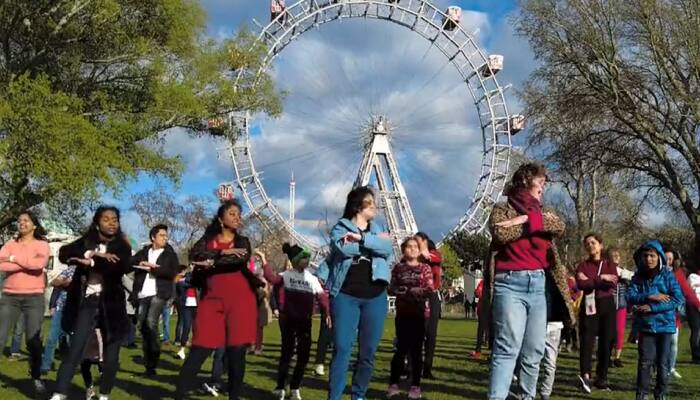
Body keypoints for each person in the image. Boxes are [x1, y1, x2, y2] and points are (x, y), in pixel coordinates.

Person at [485, 162, 566, 400]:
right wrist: (535, 222)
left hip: (538, 284)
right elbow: (501, 232)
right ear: (525, 180)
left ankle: (527, 397)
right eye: (540, 181)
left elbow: (559, 226)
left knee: (534, 351)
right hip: (509, 283)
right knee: (507, 347)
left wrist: (522, 221)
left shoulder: (543, 210)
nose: (543, 186)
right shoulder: (501, 208)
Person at [175, 199, 263, 400]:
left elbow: (237, 260)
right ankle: (179, 394)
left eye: (239, 214)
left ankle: (234, 396)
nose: (237, 217)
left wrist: (211, 261)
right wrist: (221, 252)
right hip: (211, 300)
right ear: (221, 219)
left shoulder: (243, 241)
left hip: (241, 300)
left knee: (236, 353)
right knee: (200, 348)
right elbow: (194, 256)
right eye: (232, 214)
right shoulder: (207, 239)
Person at [316, 186, 393, 400]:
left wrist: (360, 239)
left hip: (375, 296)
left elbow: (388, 250)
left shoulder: (378, 227)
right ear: (358, 206)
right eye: (371, 202)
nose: (375, 206)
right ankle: (335, 396)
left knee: (367, 353)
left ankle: (358, 394)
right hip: (346, 295)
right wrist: (375, 243)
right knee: (342, 348)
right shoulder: (340, 228)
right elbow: (344, 249)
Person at [49, 206, 133, 400]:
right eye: (106, 219)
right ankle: (59, 392)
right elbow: (65, 252)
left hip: (111, 305)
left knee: (111, 356)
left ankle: (104, 394)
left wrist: (93, 262)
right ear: (97, 223)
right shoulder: (86, 241)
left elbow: (119, 266)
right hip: (87, 301)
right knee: (75, 348)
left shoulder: (122, 245)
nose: (111, 223)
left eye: (115, 219)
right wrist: (91, 254)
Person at [260, 244, 330, 400]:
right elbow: (271, 278)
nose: (306, 260)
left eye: (307, 257)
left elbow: (322, 297)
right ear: (296, 260)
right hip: (289, 321)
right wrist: (264, 261)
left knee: (303, 357)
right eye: (303, 257)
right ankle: (280, 387)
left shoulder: (312, 279)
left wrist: (327, 313)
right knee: (287, 354)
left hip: (305, 322)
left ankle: (295, 387)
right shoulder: (286, 275)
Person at [0, 211, 50, 396]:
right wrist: (24, 263)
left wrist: (13, 259)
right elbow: (0, 264)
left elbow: (39, 265)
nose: (22, 223)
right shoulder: (10, 244)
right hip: (9, 297)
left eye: (26, 220)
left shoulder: (42, 244)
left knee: (33, 341)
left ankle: (36, 377)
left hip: (33, 298)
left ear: (34, 225)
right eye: (19, 220)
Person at [627, 240, 683, 400]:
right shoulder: (637, 277)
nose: (648, 259)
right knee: (644, 364)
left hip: (665, 327)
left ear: (659, 257)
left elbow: (678, 299)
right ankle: (641, 396)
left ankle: (660, 395)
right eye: (645, 256)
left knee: (663, 365)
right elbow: (629, 296)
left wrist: (652, 307)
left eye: (652, 255)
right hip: (646, 327)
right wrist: (648, 296)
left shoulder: (668, 276)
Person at [386, 237, 434, 399]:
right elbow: (391, 288)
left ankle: (415, 386)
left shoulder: (425, 268)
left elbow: (429, 289)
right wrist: (407, 291)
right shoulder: (398, 268)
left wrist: (409, 291)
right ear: (403, 250)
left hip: (419, 314)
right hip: (403, 314)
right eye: (409, 246)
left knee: (416, 351)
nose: (413, 249)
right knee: (400, 350)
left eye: (416, 246)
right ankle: (393, 384)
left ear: (420, 250)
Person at [131, 224, 180, 376]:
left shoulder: (170, 254)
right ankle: (149, 364)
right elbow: (130, 262)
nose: (165, 238)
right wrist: (141, 263)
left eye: (166, 236)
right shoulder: (144, 252)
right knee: (143, 326)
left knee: (151, 323)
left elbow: (172, 272)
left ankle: (154, 357)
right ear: (153, 237)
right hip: (142, 293)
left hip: (159, 293)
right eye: (162, 235)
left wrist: (153, 268)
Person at [576, 233, 619, 392]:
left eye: (593, 243)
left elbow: (612, 283)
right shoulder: (582, 265)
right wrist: (600, 278)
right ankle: (585, 376)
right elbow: (581, 284)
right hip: (589, 305)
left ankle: (601, 378)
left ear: (600, 245)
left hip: (607, 305)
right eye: (587, 244)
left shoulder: (610, 264)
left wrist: (591, 280)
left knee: (606, 342)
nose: (590, 246)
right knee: (587, 341)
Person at [663, 247, 700, 379]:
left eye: (671, 259)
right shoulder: (656, 273)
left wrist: (698, 305)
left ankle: (671, 368)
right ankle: (659, 367)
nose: (668, 261)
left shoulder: (677, 274)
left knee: (674, 342)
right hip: (658, 315)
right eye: (666, 258)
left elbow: (687, 292)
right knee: (661, 343)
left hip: (673, 315)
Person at [414, 232, 442, 379]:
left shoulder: (434, 254)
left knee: (431, 334)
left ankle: (427, 368)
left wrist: (425, 255)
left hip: (432, 296)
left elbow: (437, 258)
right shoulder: (413, 255)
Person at [41, 264, 77, 373]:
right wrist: (65, 283)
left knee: (74, 339)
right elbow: (54, 282)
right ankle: (46, 365)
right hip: (61, 307)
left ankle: (73, 365)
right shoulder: (70, 269)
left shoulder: (88, 272)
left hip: (77, 310)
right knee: (52, 337)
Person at [609, 247, 634, 368]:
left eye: (617, 256)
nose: (616, 258)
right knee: (608, 331)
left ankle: (617, 357)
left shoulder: (624, 271)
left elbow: (632, 280)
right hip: (609, 304)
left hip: (621, 305)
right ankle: (607, 356)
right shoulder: (606, 269)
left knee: (620, 331)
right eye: (613, 255)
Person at [174, 264, 197, 360]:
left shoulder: (201, 276)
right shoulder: (187, 275)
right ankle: (182, 349)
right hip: (187, 304)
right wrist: (188, 281)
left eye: (194, 265)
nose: (192, 266)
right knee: (186, 326)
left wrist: (188, 282)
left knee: (196, 328)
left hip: (198, 304)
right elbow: (180, 284)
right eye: (191, 265)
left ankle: (195, 349)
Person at [687, 261, 700, 363]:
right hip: (693, 308)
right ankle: (695, 355)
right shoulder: (692, 277)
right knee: (695, 330)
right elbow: (690, 291)